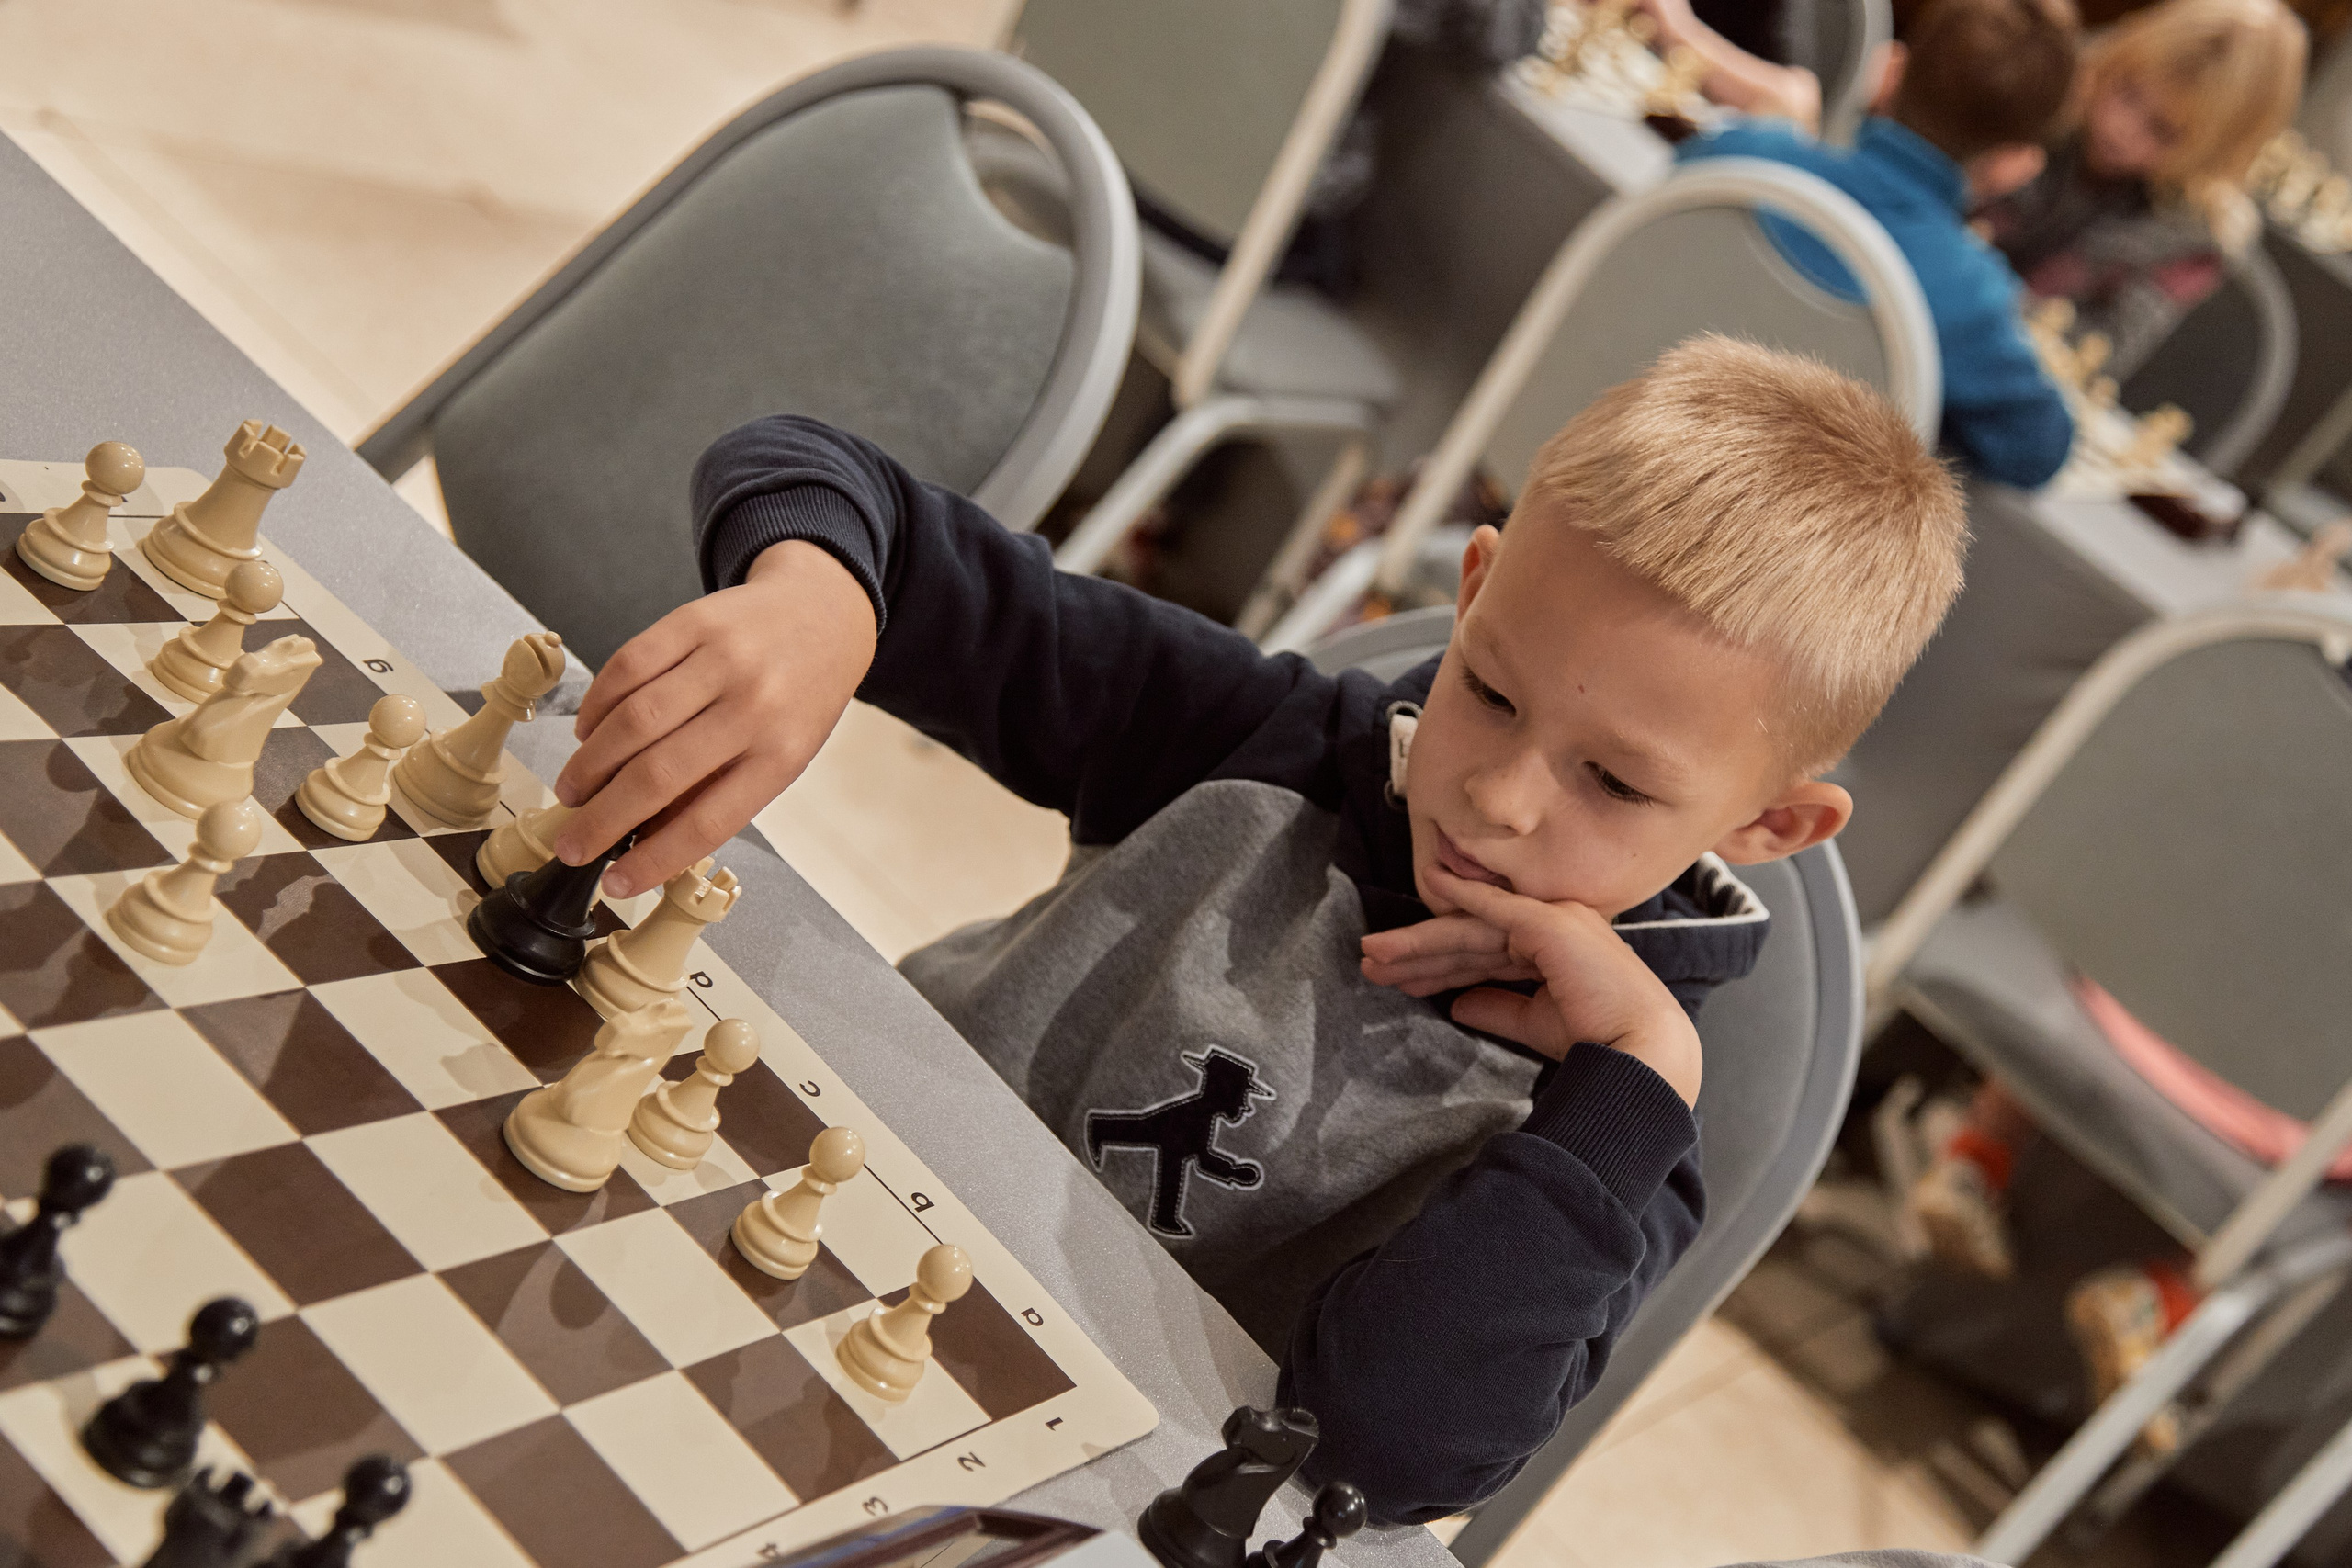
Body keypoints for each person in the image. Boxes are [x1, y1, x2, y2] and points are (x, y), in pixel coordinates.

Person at [544, 336, 1968, 1521]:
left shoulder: (1622, 1140)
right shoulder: (1272, 738)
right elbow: (834, 482)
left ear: (1770, 824)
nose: (1501, 793)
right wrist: (819, 602)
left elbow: (1387, 1451)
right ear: (1474, 587)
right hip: (783, 1222)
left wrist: (1633, 1075)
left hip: (1040, 1495)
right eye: (1490, 689)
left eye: (1615, 781)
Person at [1675, 0, 2081, 490]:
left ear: (1888, 71)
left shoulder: (1739, 152)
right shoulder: (1969, 296)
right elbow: (2038, 450)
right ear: (2015, 165)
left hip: (1615, 449)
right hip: (1766, 524)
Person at [1975, 0, 2307, 380]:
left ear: (2212, 156)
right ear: (2118, 54)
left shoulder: (2194, 237)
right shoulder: (2043, 92)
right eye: (2128, 91)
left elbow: (2100, 353)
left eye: (2162, 132)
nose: (2120, 128)